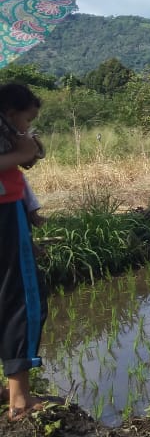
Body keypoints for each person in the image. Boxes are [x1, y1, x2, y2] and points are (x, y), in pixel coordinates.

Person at [0, 83, 47, 421]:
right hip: (4, 213)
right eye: (25, 119)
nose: (26, 127)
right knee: (22, 300)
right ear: (10, 112)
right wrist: (20, 154)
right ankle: (20, 402)